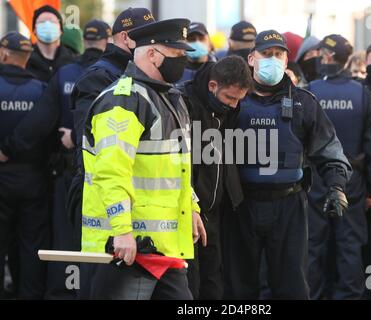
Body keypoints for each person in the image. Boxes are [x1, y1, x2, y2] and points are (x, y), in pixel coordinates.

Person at [82, 18, 206, 300]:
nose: (182, 61)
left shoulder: (168, 97)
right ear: (152, 54)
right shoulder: (122, 101)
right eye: (176, 55)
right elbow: (111, 172)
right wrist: (122, 230)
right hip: (129, 248)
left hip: (162, 248)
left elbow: (174, 167)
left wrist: (192, 207)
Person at [223, 30, 352, 299]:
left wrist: (337, 186)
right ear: (251, 58)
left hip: (288, 206)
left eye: (279, 54)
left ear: (286, 60)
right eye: (266, 54)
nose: (273, 59)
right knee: (239, 287)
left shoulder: (304, 103)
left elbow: (329, 150)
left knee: (291, 287)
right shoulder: (233, 101)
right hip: (240, 205)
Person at [68, 7, 155, 299]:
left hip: (131, 202)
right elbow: (93, 149)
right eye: (148, 38)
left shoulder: (143, 75)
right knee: (99, 289)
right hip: (101, 202)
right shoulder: (99, 78)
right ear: (126, 37)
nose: (154, 46)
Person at [307, 34, 371, 299]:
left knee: (312, 248)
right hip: (351, 181)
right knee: (350, 247)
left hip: (316, 179)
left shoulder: (310, 91)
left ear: (328, 56)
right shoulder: (363, 94)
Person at [183, 56, 253, 299]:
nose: (234, 105)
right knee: (190, 283)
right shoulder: (184, 103)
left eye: (239, 100)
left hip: (216, 210)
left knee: (213, 282)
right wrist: (189, 206)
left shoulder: (226, 108)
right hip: (187, 211)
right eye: (230, 98)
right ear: (213, 86)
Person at [0, 32, 48, 299]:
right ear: (28, 58)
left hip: (2, 177)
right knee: (32, 246)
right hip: (33, 178)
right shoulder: (41, 89)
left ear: (5, 54)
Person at [27, 5, 77, 82]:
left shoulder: (74, 60)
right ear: (34, 30)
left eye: (52, 22)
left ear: (60, 30)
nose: (47, 25)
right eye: (42, 22)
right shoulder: (25, 59)